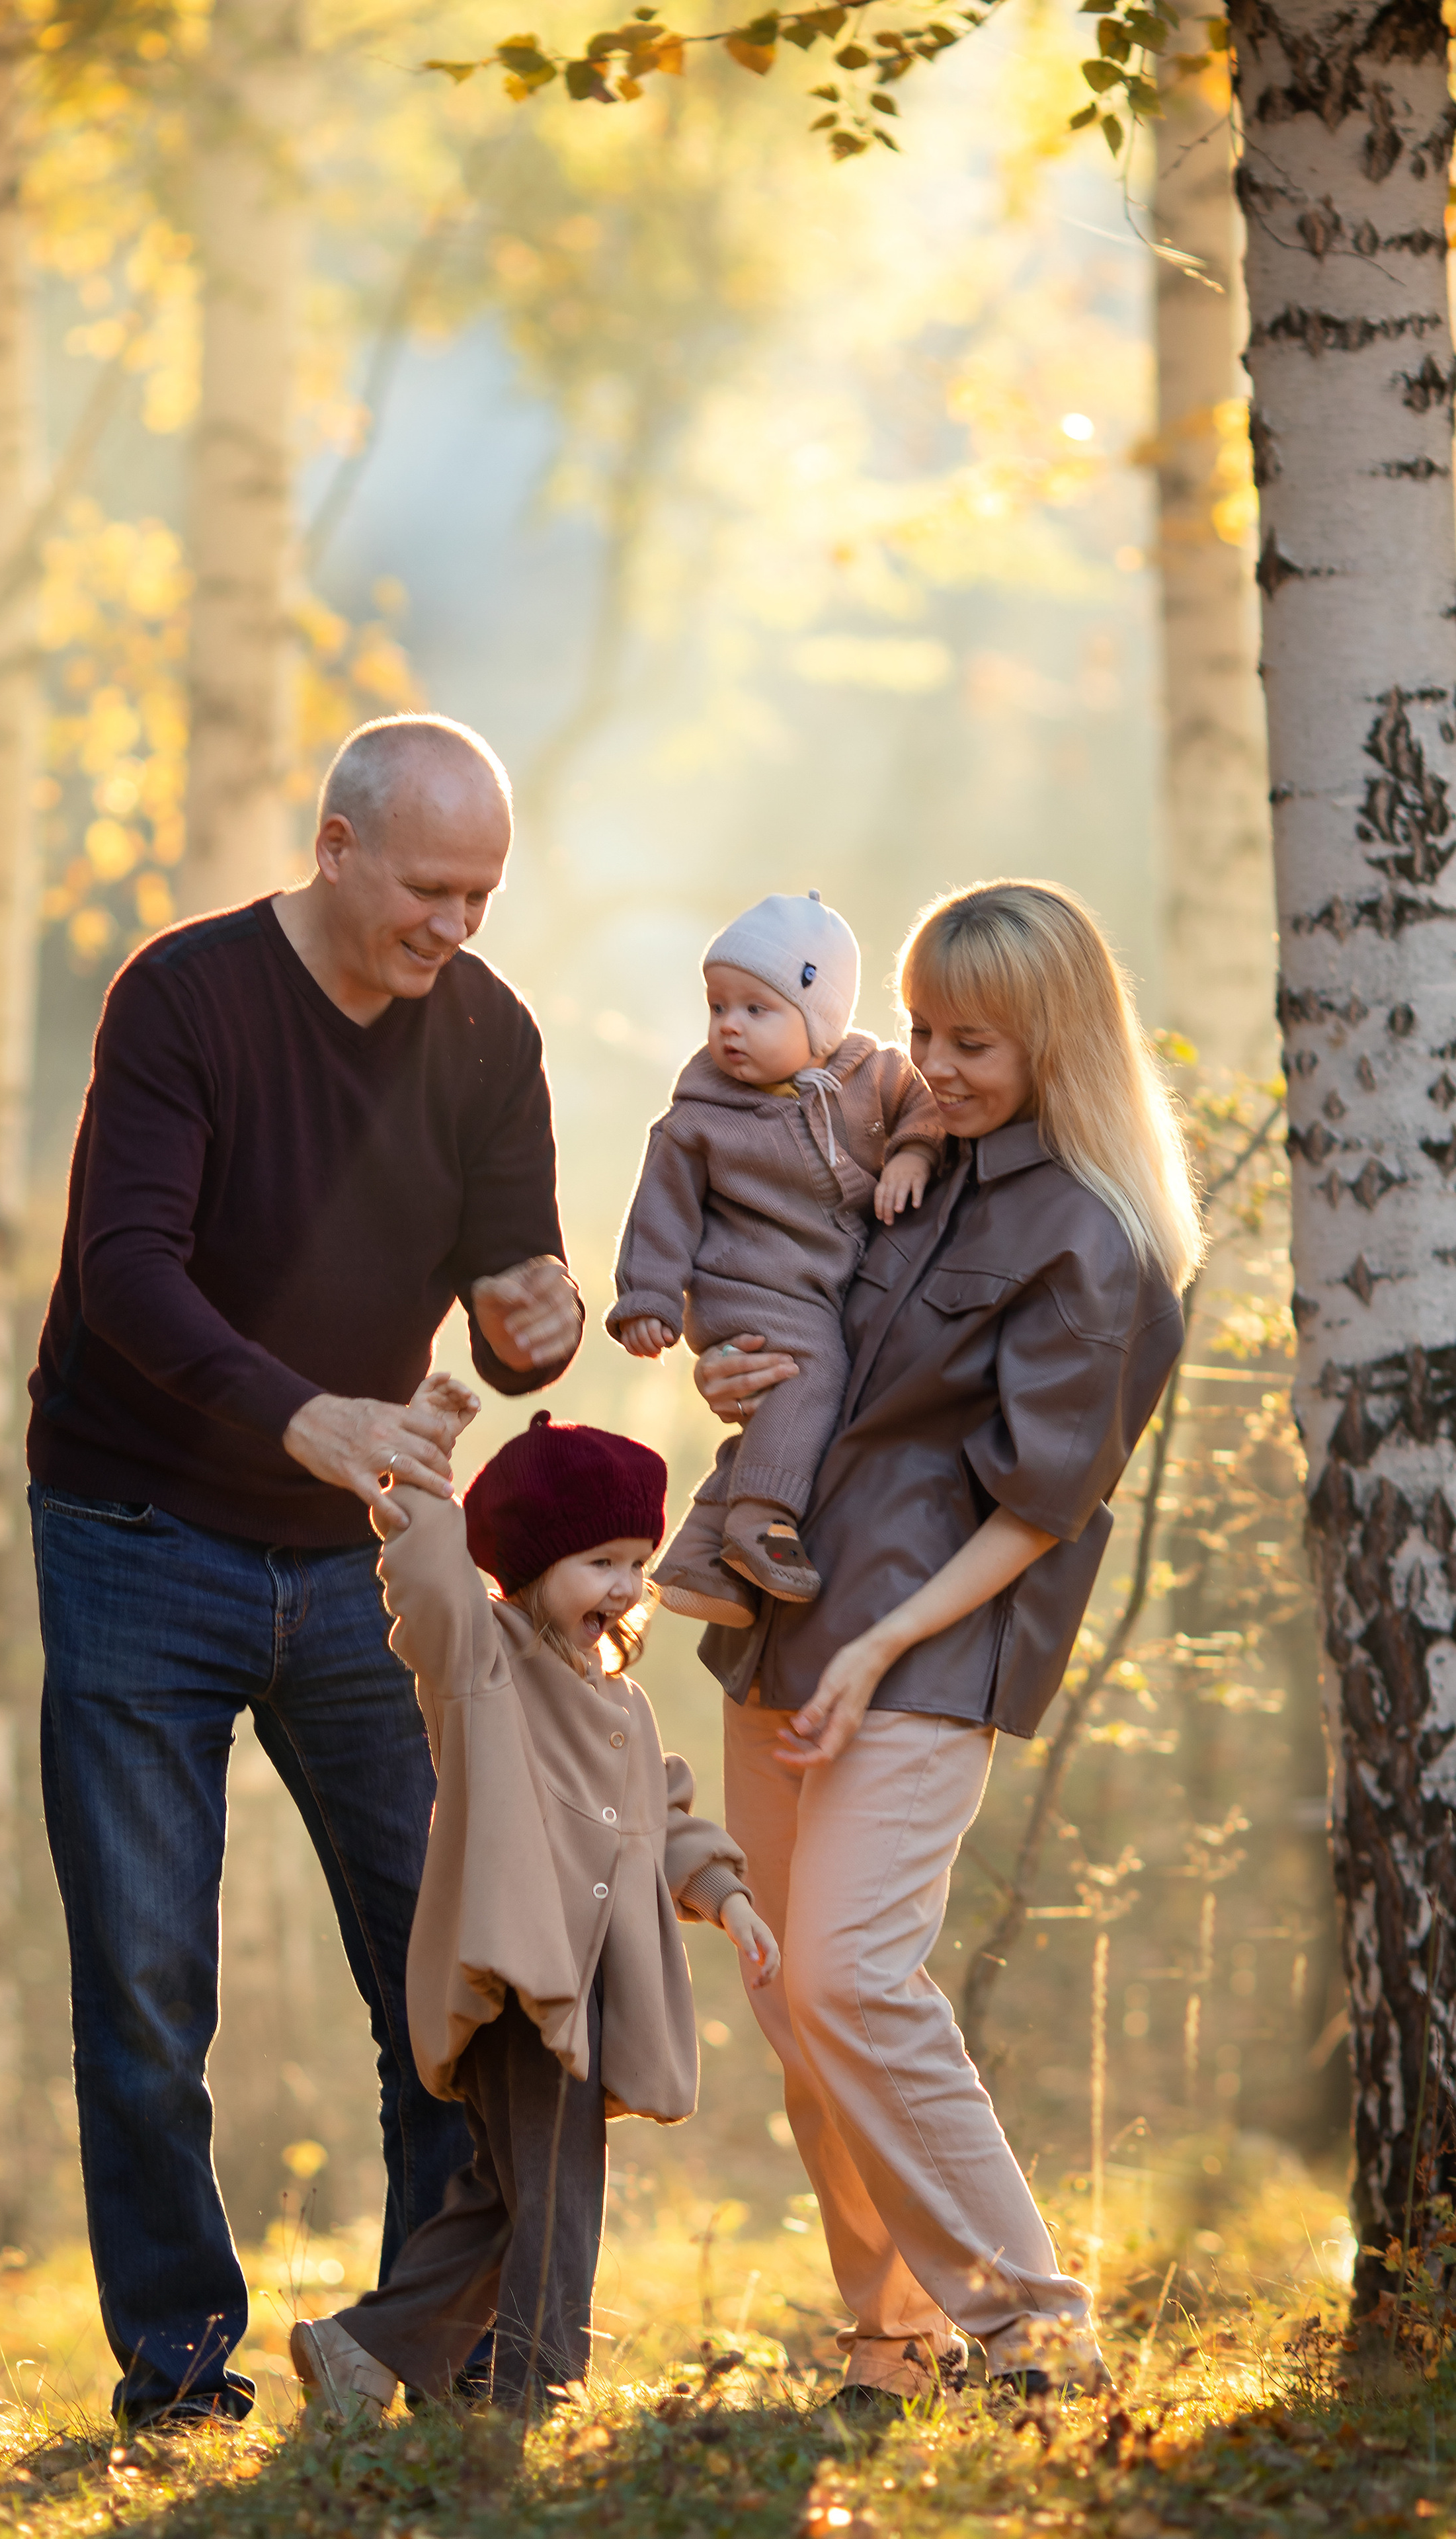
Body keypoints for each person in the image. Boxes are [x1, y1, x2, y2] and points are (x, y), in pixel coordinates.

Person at [26, 713, 586, 2428]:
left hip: (361, 1568)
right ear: (335, 849)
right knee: (143, 1981)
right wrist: (303, 1420)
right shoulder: (185, 999)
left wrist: (535, 1328)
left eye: (483, 895)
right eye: (430, 888)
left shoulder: (488, 1037)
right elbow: (126, 1271)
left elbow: (515, 1316)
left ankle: (437, 2342)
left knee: (443, 1961)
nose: (456, 928)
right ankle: (179, 2370)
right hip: (136, 1536)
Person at [689, 879, 1201, 2414]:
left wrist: (878, 1644)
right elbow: (794, 1319)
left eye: (969, 1037)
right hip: (789, 1611)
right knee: (793, 2004)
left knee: (851, 1974)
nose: (932, 1060)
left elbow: (1041, 1509)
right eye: (917, 1026)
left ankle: (1034, 2329)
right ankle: (889, 2339)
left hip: (930, 1637)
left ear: (1051, 1034)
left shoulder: (1094, 1240)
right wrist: (739, 1370)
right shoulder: (894, 1156)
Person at [289, 1403, 779, 2417]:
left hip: (593, 1987)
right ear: (529, 1560)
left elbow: (666, 1821)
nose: (627, 1586)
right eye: (602, 1560)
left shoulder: (620, 1706)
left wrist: (727, 1898)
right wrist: (419, 1463)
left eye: (638, 1563)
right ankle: (535, 2389)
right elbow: (428, 1577)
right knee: (558, 2198)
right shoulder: (483, 1667)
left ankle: (360, 2350)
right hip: (523, 1977)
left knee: (507, 2196)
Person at [606, 891, 941, 1619]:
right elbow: (660, 1213)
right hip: (748, 1285)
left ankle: (698, 1557)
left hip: (815, 1286)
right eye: (718, 1006)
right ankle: (762, 1520)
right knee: (814, 1375)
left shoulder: (870, 1074)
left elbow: (923, 1106)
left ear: (821, 1020)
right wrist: (649, 1299)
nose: (729, 1027)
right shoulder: (701, 1116)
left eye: (756, 1010)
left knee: (789, 1409)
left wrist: (911, 1154)